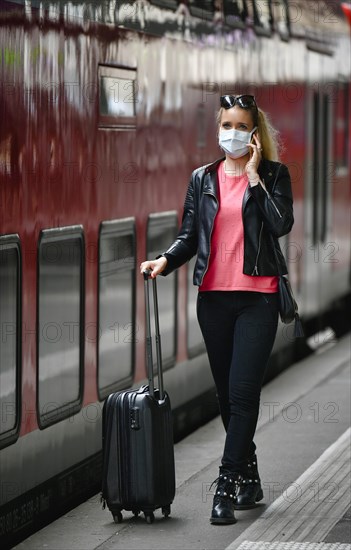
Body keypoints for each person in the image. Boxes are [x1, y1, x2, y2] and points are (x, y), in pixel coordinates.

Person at [140, 94, 294, 525]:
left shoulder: (274, 175)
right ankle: (251, 475)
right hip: (213, 301)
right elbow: (190, 236)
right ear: (217, 128)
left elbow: (281, 224)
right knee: (227, 397)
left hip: (258, 299)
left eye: (241, 126)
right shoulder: (201, 179)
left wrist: (253, 179)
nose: (232, 133)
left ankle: (224, 487)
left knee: (244, 395)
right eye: (226, 125)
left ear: (255, 134)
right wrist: (165, 260)